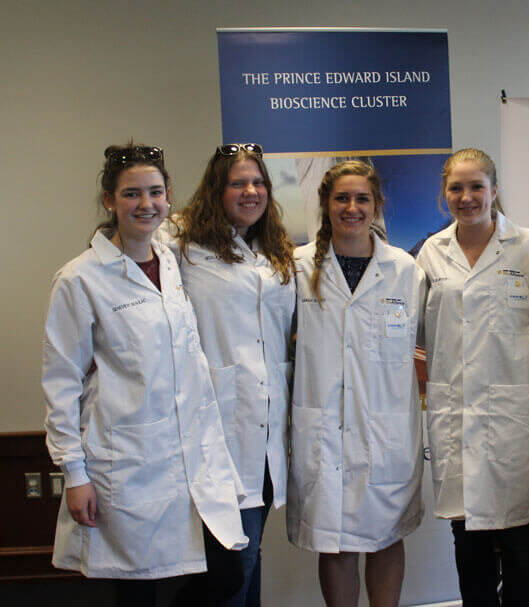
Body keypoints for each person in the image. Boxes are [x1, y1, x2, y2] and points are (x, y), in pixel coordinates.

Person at [42, 144, 247, 607]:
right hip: (127, 460)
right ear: (109, 200)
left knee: (227, 574)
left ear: (168, 196)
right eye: (131, 193)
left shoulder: (169, 262)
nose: (146, 204)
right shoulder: (80, 279)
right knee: (137, 588)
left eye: (155, 192)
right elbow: (61, 383)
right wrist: (73, 473)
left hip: (191, 455)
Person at [417, 148, 529, 607]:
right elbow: (420, 330)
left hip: (512, 416)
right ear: (444, 193)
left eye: (477, 186)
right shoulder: (432, 253)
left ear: (495, 190)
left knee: (519, 539)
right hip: (456, 412)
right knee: (468, 540)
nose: (466, 197)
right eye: (456, 188)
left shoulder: (527, 246)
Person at [287, 160, 424, 607]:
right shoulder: (297, 267)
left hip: (386, 431)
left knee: (385, 535)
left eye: (362, 198)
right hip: (324, 431)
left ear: (377, 204)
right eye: (341, 198)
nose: (352, 207)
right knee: (335, 541)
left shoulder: (405, 271)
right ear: (325, 204)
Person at [163, 142, 295, 606]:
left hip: (266, 432)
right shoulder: (180, 243)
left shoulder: (274, 250)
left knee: (250, 553)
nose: (250, 191)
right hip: (215, 429)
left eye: (258, 182)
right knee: (231, 566)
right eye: (238, 183)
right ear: (215, 190)